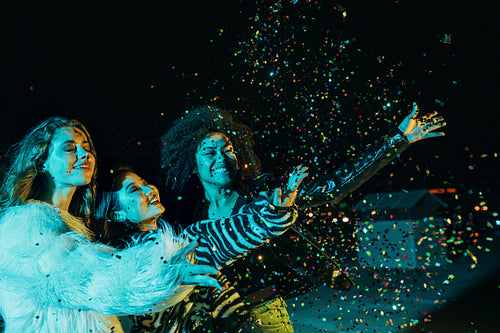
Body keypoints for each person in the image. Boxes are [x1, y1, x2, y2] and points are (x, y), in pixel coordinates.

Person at [159, 103, 446, 332]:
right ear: (192, 165)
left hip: (264, 315)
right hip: (217, 320)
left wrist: (398, 139)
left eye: (228, 149)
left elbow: (333, 186)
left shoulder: (263, 195)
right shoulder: (190, 217)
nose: (222, 157)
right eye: (209, 152)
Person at [0, 117, 222, 333]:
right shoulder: (25, 222)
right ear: (42, 161)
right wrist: (162, 273)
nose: (84, 154)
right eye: (70, 148)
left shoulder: (69, 227)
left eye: (86, 147)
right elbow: (89, 280)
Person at [90, 165, 306, 332]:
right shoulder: (120, 263)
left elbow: (232, 232)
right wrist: (273, 213)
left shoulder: (182, 240)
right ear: (117, 214)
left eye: (145, 183)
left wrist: (275, 210)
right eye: (135, 189)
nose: (149, 189)